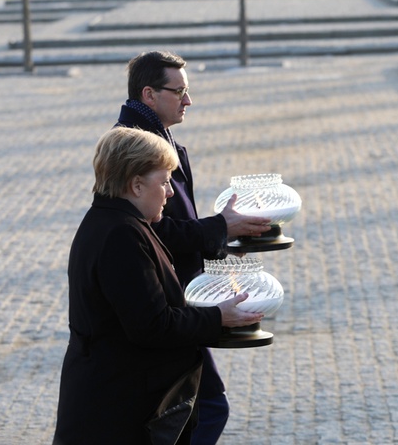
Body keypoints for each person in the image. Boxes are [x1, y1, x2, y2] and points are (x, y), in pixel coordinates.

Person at [53, 127, 263, 445]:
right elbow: (153, 325)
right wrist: (218, 317)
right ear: (136, 184)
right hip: (115, 413)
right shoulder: (121, 236)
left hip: (113, 403)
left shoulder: (119, 223)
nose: (170, 192)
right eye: (164, 181)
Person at [115, 50, 271, 444]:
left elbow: (178, 226)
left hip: (180, 298)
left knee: (193, 411)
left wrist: (224, 239)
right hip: (166, 302)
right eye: (179, 91)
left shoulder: (162, 141)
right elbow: (153, 230)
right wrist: (219, 227)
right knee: (205, 409)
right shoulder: (135, 150)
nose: (188, 100)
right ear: (149, 95)